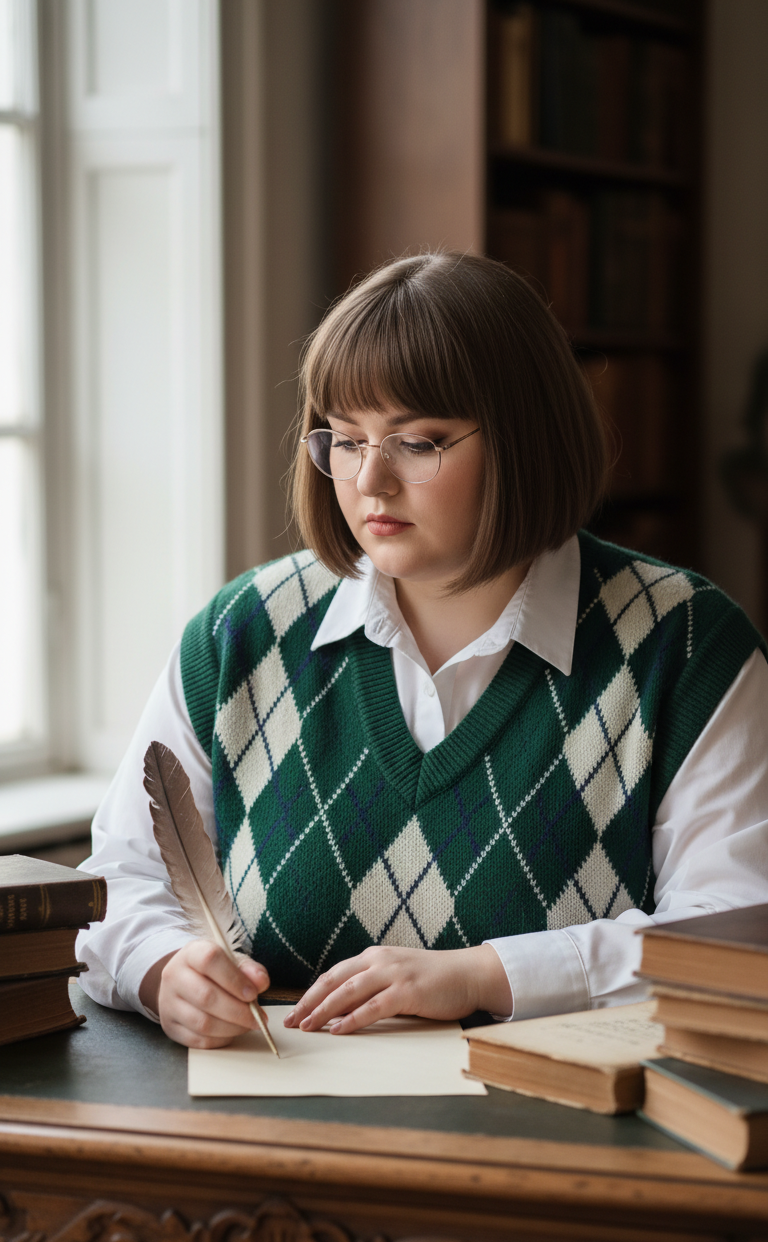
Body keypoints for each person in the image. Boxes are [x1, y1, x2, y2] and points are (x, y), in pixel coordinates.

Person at [76, 250, 768, 1052]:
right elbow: (118, 883)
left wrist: (483, 976)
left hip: (567, 1144)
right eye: (344, 436)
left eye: (419, 441)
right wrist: (163, 970)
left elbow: (737, 932)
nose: (369, 479)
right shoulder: (242, 633)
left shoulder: (684, 646)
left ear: (526, 438)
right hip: (261, 1128)